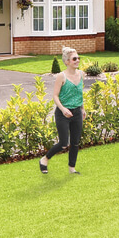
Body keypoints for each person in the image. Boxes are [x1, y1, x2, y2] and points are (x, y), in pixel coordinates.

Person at [39, 47, 85, 175]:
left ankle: (72, 168)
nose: (77, 60)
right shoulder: (62, 76)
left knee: (75, 142)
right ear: (67, 62)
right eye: (74, 59)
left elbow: (79, 94)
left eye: (78, 58)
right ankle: (44, 159)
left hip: (77, 112)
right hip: (63, 113)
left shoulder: (81, 74)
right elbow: (55, 96)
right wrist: (63, 109)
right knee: (64, 143)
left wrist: (82, 108)